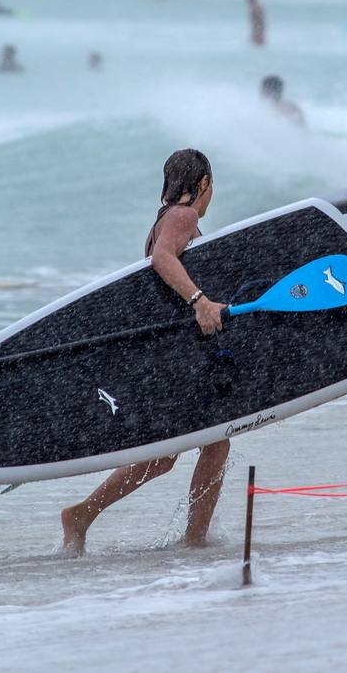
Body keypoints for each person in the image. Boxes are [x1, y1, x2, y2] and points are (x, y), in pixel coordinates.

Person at [61, 149, 230, 555]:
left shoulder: (164, 218)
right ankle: (193, 539)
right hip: (175, 355)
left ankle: (84, 515)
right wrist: (200, 301)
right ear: (204, 183)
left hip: (172, 351)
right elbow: (162, 259)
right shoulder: (183, 217)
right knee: (214, 439)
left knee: (180, 450)